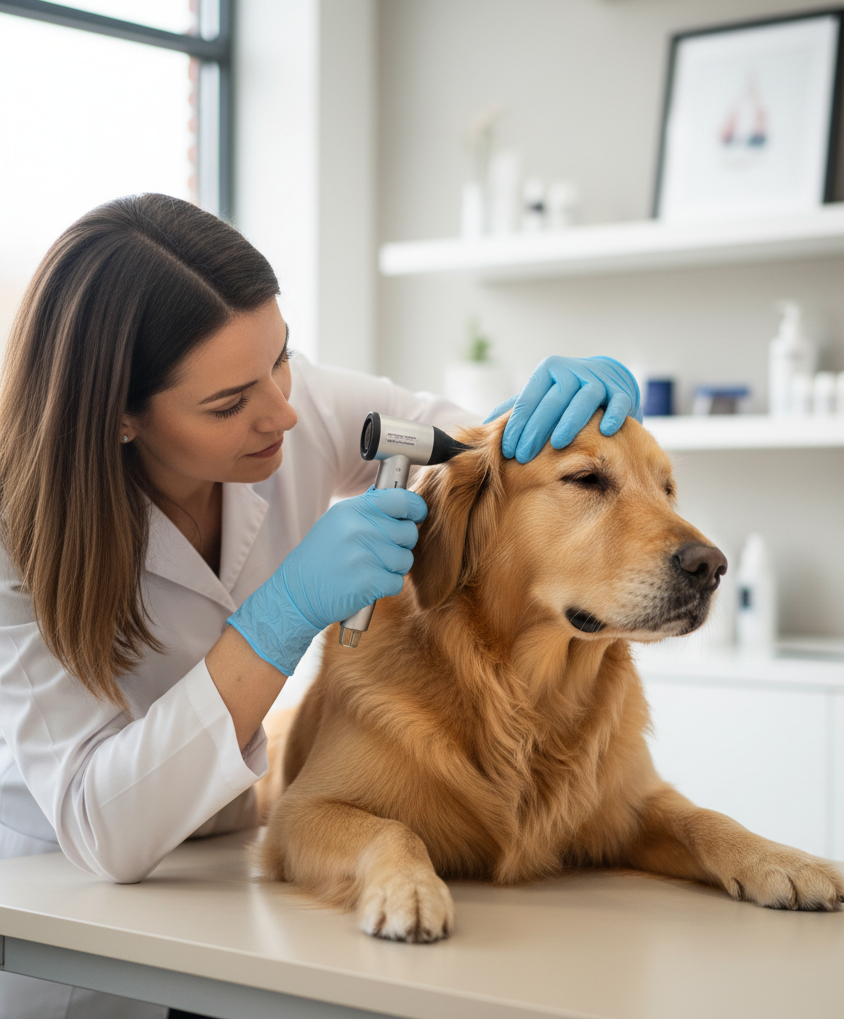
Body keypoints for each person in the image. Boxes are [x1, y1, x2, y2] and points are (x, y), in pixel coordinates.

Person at [0, 193, 642, 1018]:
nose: (284, 412)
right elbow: (101, 828)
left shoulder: (293, 408)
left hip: (227, 869)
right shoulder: (16, 538)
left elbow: (481, 464)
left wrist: (559, 416)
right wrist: (280, 618)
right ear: (121, 417)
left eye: (282, 358)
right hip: (61, 896)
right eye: (229, 403)